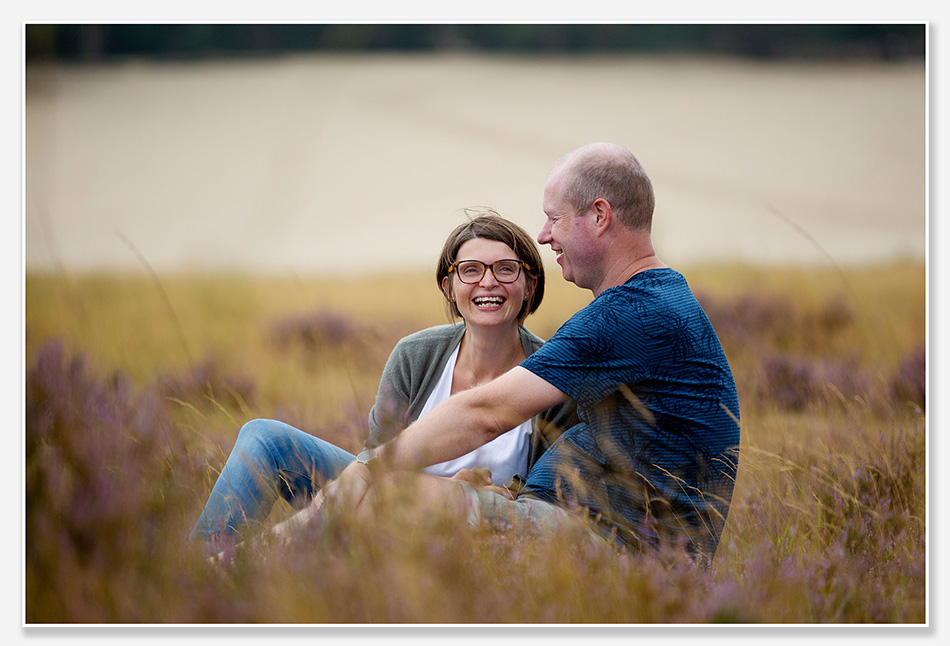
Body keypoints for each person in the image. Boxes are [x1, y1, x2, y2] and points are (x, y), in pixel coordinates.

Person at [320, 142, 741, 565]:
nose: (543, 235)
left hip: (622, 555)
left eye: (554, 218)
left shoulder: (630, 312)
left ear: (599, 216)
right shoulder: (657, 299)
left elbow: (487, 412)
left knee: (389, 496)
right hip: (589, 533)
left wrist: (368, 468)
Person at [189, 211, 575, 550]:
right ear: (449, 287)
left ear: (530, 286)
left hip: (484, 527)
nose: (488, 282)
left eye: (506, 269)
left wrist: (468, 495)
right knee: (265, 437)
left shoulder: (551, 376)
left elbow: (547, 501)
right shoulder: (416, 355)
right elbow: (374, 459)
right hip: (389, 506)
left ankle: (243, 561)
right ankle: (195, 571)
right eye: (470, 270)